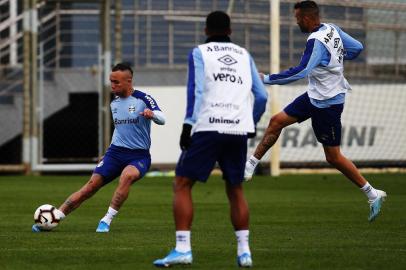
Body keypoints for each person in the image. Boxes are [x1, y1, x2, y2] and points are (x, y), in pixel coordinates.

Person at [244, 0, 386, 222]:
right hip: (314, 96)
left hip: (328, 103)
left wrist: (266, 79)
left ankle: (372, 192)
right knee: (276, 121)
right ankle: (250, 165)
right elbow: (357, 48)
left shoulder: (315, 41)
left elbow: (300, 72)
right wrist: (336, 59)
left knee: (333, 157)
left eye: (298, 18)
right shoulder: (332, 28)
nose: (297, 22)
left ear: (307, 18)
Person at [153, 11, 268, 268]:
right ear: (230, 31)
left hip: (208, 127)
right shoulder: (244, 55)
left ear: (206, 30)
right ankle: (244, 252)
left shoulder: (199, 52)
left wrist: (187, 125)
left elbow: (197, 90)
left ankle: (183, 248)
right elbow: (261, 96)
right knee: (235, 188)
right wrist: (251, 121)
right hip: (239, 129)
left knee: (182, 183)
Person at [32, 62, 166, 232]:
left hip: (138, 156)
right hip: (115, 153)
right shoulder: (114, 103)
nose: (112, 85)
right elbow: (120, 130)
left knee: (127, 176)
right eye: (111, 81)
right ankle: (55, 217)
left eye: (116, 82)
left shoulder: (143, 99)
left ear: (129, 81)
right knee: (90, 186)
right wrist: (108, 152)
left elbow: (163, 118)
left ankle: (106, 220)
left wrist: (152, 115)